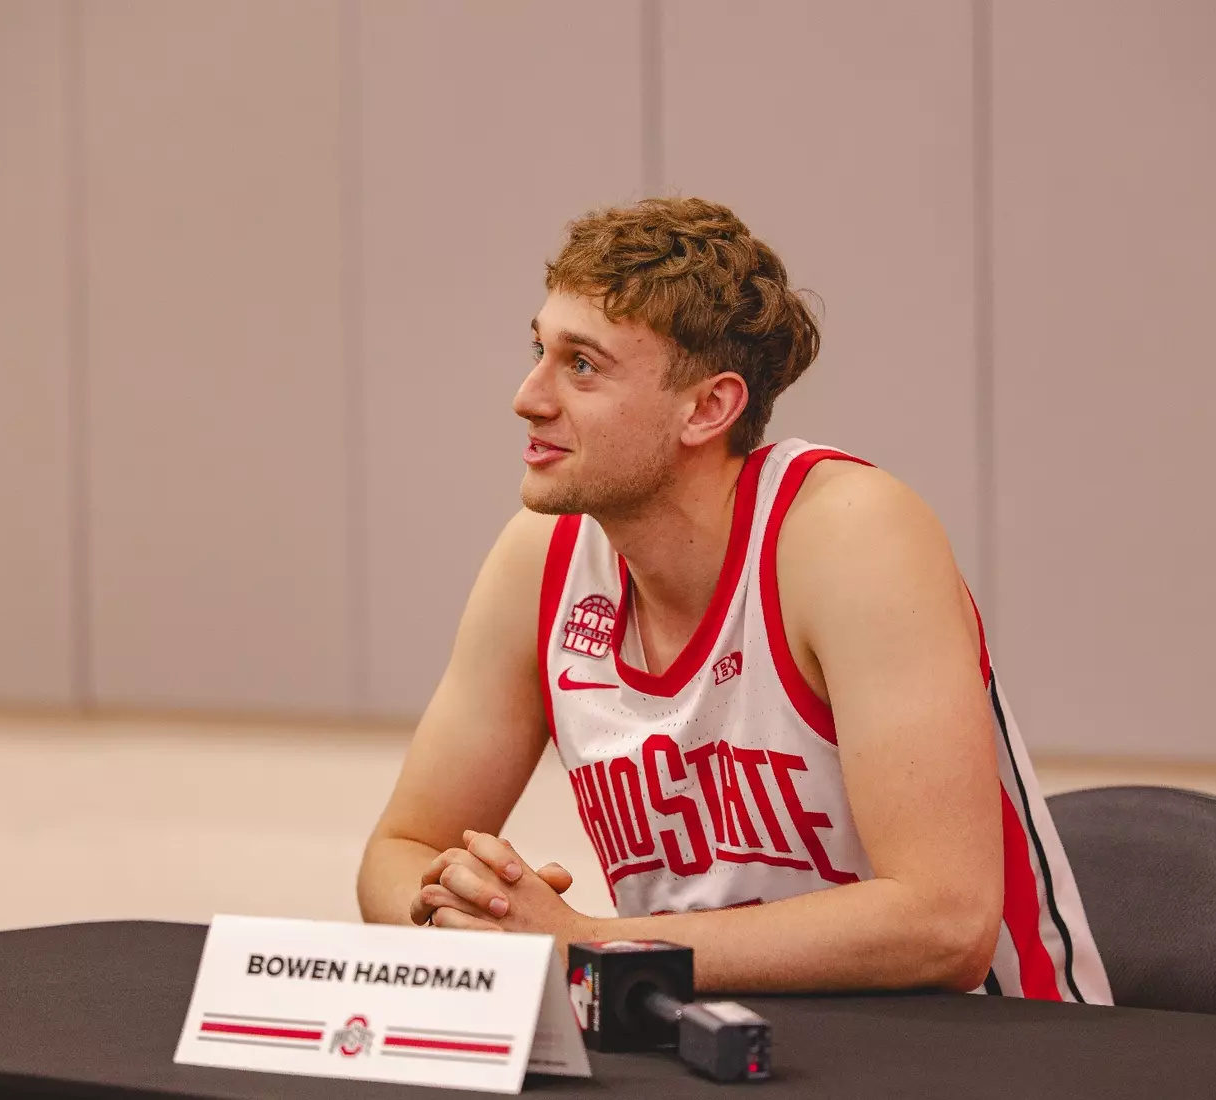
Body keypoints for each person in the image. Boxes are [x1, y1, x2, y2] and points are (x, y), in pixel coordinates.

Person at [356, 197, 1111, 1002]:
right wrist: (475, 918)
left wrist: (592, 945)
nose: (527, 396)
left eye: (582, 365)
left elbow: (943, 926)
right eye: (539, 350)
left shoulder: (849, 534)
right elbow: (397, 852)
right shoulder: (539, 559)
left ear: (709, 408)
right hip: (713, 1040)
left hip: (984, 1055)